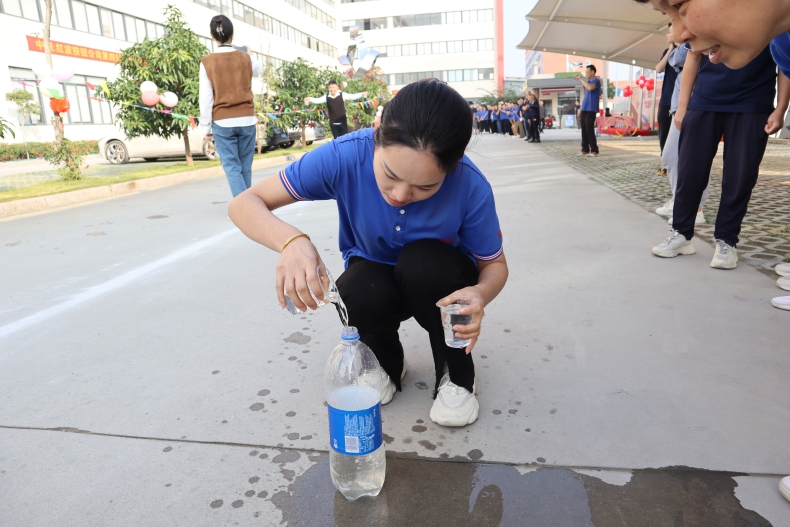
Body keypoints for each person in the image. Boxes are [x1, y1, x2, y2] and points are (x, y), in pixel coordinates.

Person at [229, 79, 509, 427]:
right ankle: (385, 365)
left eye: (426, 186)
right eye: (390, 174)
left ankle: (455, 374)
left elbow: (494, 264)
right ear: (376, 133)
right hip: (375, 278)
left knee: (423, 263)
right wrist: (291, 241)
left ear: (453, 168)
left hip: (437, 284)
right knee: (357, 285)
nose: (401, 195)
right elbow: (244, 204)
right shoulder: (346, 156)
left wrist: (480, 294)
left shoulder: (470, 185)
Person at [652, 46, 789, 269]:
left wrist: (780, 108)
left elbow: (785, 62)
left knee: (740, 177)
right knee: (689, 172)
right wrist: (683, 106)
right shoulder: (707, 12)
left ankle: (726, 241)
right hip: (704, 100)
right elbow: (693, 55)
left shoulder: (772, 14)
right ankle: (681, 234)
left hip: (753, 103)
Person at [199, 15, 263, 198]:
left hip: (222, 121)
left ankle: (244, 210)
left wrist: (205, 126)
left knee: (232, 168)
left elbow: (206, 97)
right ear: (232, 34)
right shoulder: (245, 58)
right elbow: (259, 71)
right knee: (245, 167)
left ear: (212, 35)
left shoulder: (206, 62)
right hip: (247, 119)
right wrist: (249, 55)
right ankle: (248, 207)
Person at [655, 41, 710, 226]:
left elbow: (677, 58)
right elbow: (665, 64)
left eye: (671, 27)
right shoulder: (682, 45)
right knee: (672, 157)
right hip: (680, 107)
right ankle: (681, 201)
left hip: (695, 105)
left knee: (694, 159)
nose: (668, 34)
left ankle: (696, 209)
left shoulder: (692, 40)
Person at [656, 26, 678, 175]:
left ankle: (676, 165)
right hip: (665, 100)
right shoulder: (668, 52)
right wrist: (670, 48)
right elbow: (659, 68)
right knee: (663, 134)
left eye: (670, 32)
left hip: (679, 101)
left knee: (676, 136)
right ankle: (665, 164)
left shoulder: (688, 50)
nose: (667, 35)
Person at [575, 65, 601, 156]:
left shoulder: (596, 81)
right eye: (585, 72)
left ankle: (594, 150)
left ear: (593, 72)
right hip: (585, 109)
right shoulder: (588, 82)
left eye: (587, 72)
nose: (586, 74)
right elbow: (585, 97)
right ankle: (585, 149)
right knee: (584, 130)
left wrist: (581, 80)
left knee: (589, 130)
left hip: (591, 109)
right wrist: (580, 109)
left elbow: (590, 88)